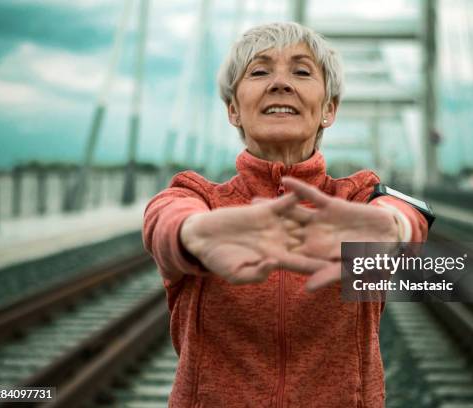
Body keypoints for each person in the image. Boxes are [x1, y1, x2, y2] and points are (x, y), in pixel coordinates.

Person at [143, 22, 428, 408]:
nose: (280, 83)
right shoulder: (200, 198)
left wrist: (394, 227)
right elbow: (165, 216)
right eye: (259, 72)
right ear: (233, 109)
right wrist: (192, 233)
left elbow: (403, 213)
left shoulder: (358, 200)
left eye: (302, 71)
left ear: (328, 109)